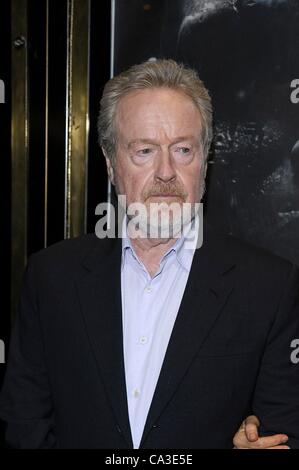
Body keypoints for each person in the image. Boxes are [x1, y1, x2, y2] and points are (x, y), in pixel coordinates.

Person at [0, 59, 298, 449]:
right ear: (110, 164)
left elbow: (282, 433)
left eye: (183, 150)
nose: (166, 172)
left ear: (205, 162)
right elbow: (26, 426)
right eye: (144, 150)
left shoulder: (269, 286)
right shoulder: (51, 277)